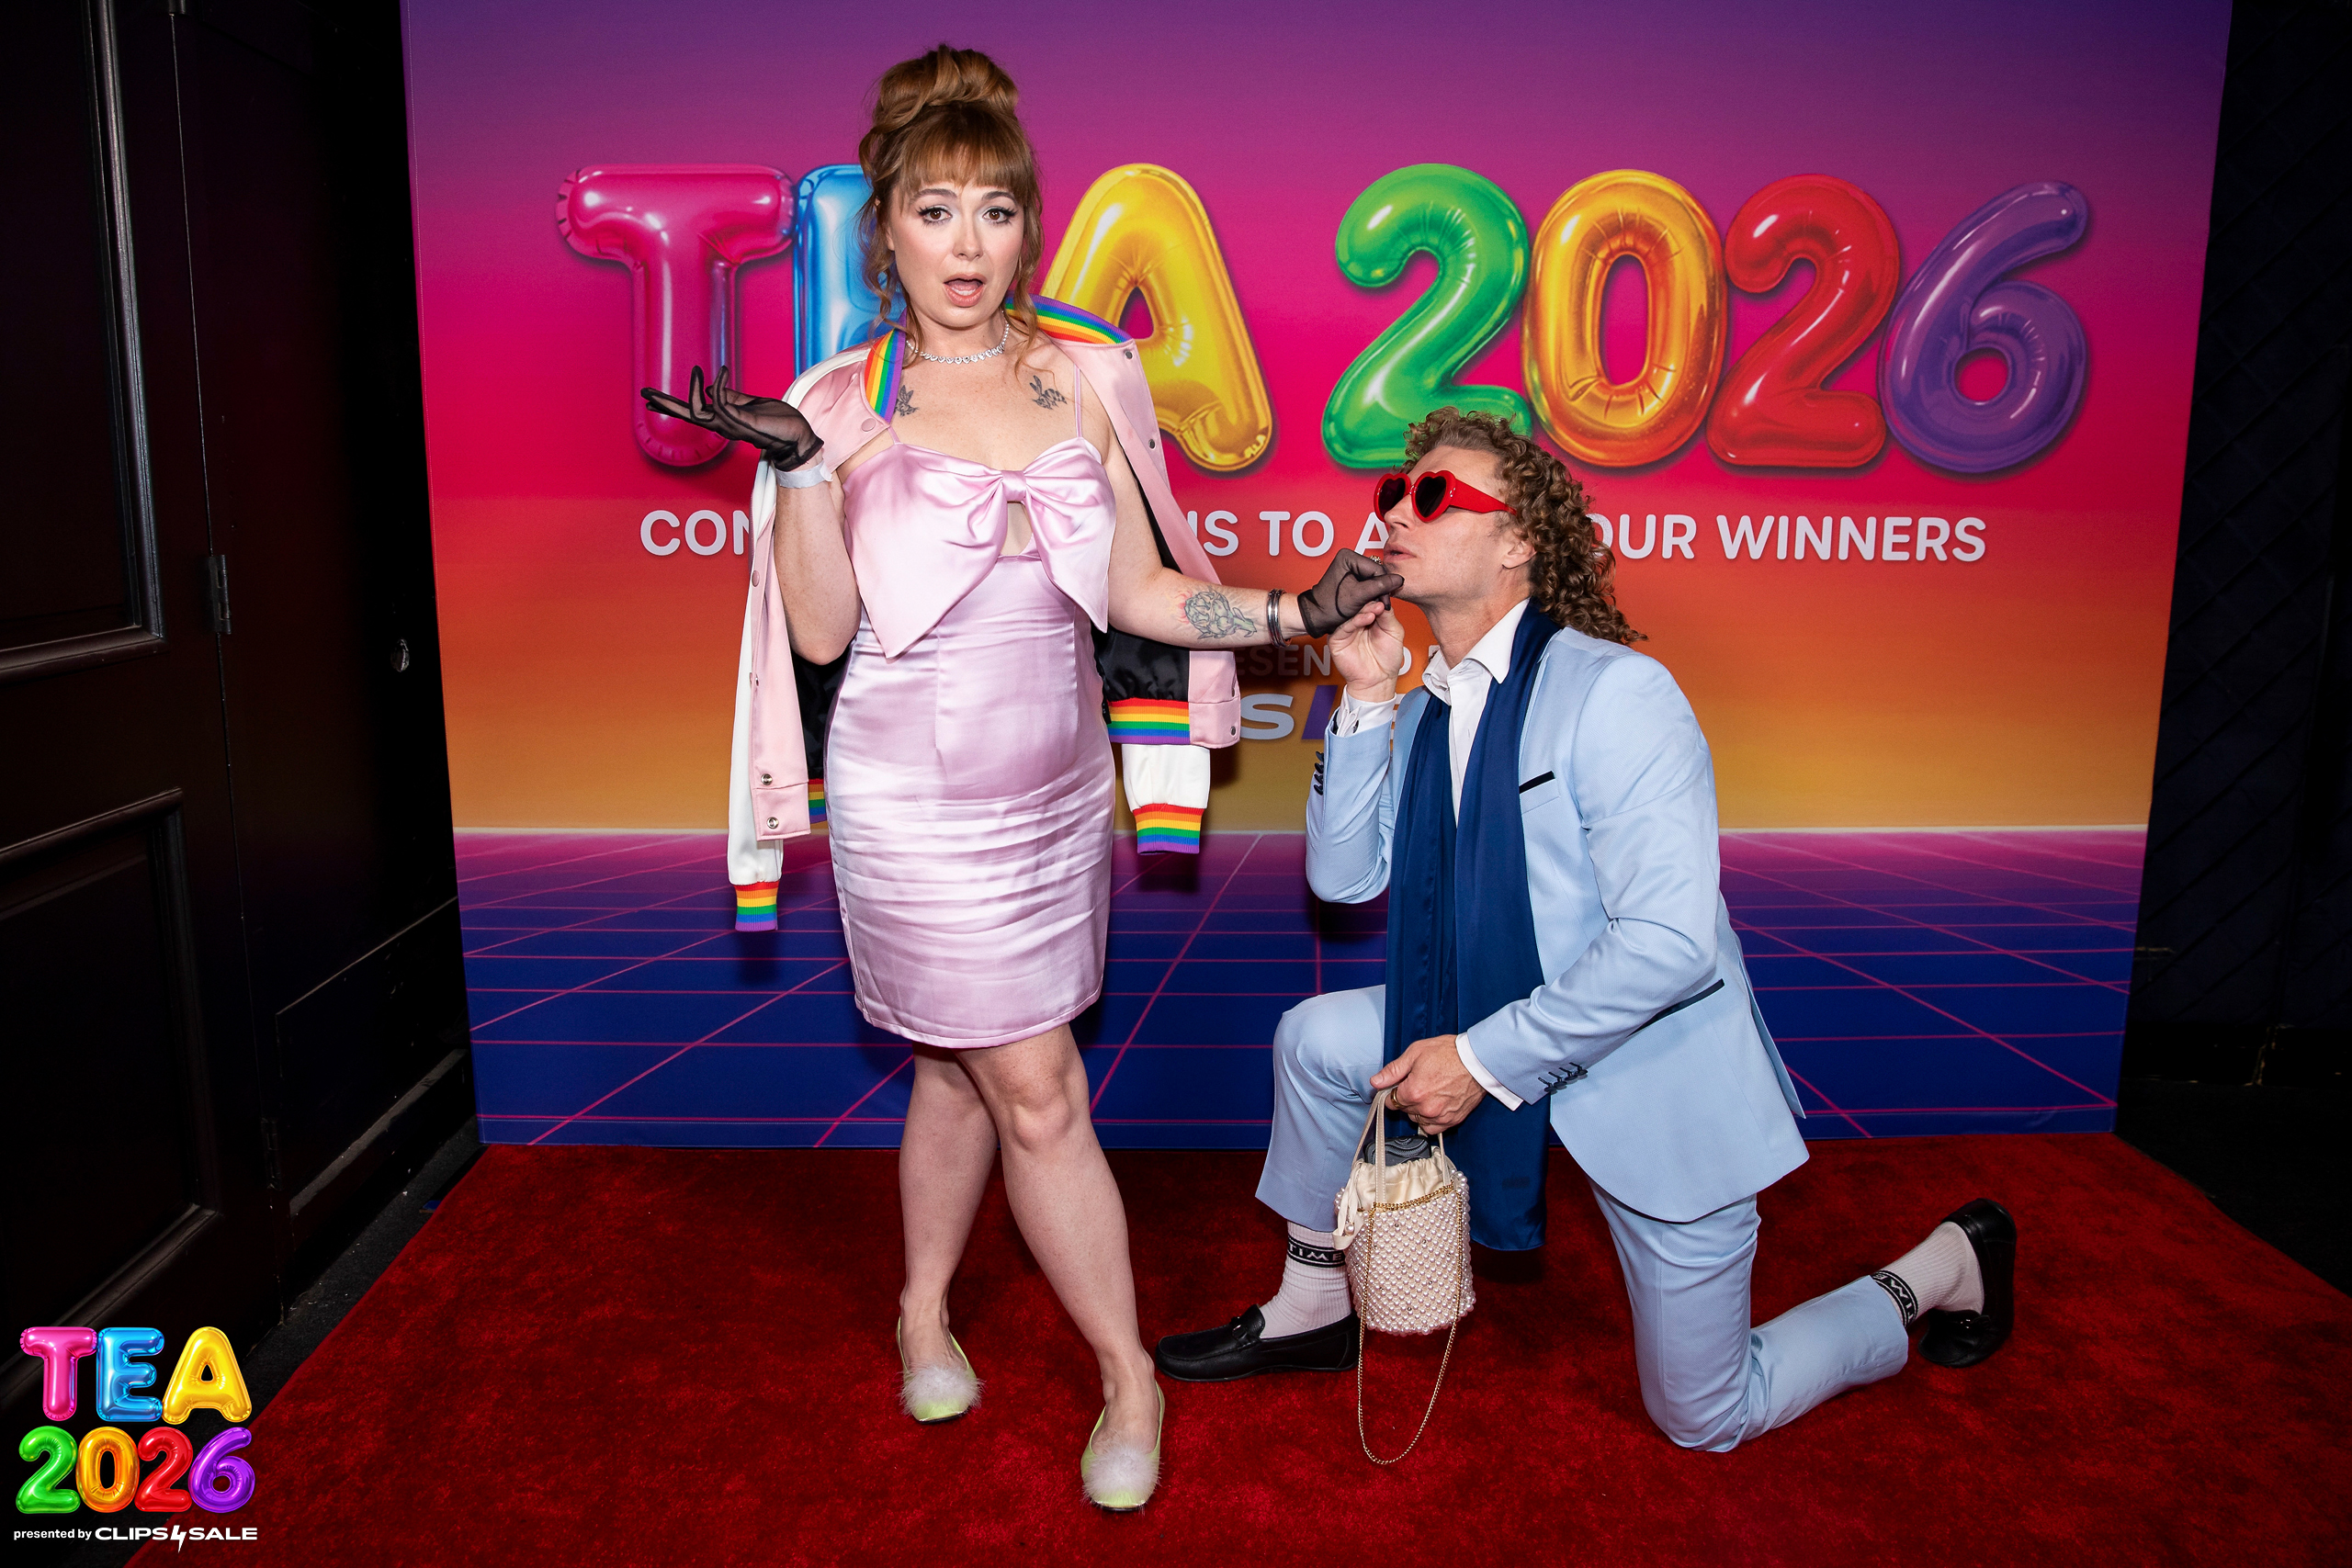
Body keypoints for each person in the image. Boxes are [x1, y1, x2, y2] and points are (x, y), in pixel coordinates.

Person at [644, 47, 1399, 1509]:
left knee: (957, 1062)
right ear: (885, 228)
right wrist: (800, 471)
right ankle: (1130, 1375)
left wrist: (1294, 612)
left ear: (1028, 226)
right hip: (910, 797)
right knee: (1040, 1086)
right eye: (935, 212)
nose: (967, 245)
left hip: (1056, 794)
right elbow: (821, 633)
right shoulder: (836, 400)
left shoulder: (1086, 373)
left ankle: (921, 1306)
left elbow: (1138, 592)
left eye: (995, 212)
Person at [1154, 408, 2018, 1453]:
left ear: (1517, 540)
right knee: (1313, 1037)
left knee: (1705, 1414)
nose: (1394, 513)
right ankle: (1312, 1305)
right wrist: (1368, 699)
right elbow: (1343, 881)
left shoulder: (1616, 693)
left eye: (1432, 495)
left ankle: (1938, 1269)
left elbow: (1668, 945)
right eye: (1391, 493)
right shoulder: (1422, 709)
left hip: (1647, 1063)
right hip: (1487, 1012)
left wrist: (1480, 1058)